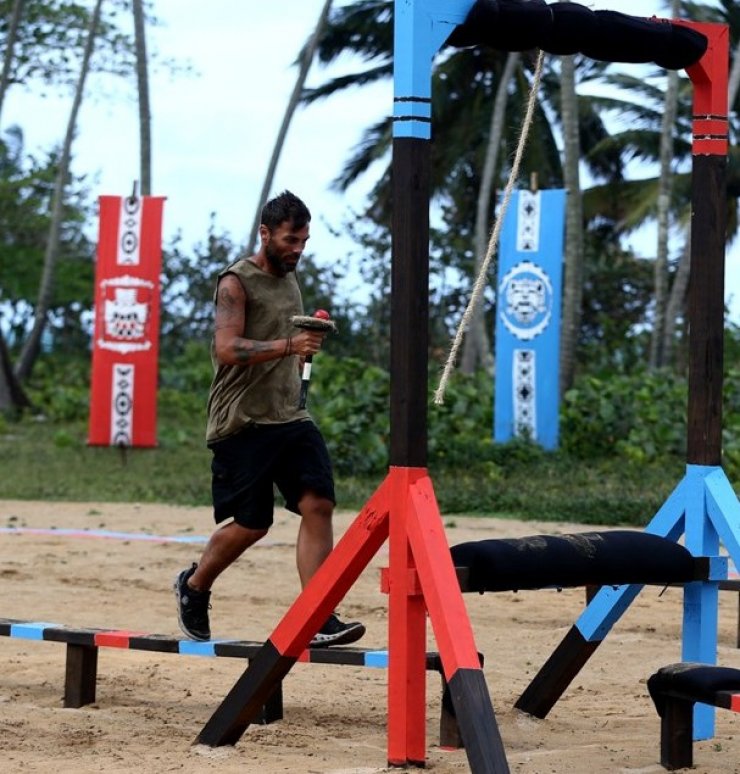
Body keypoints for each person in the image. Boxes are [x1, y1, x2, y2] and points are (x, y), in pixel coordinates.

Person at [174, 190, 365, 647]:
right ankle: (194, 585)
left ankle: (318, 614)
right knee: (252, 523)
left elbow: (288, 339)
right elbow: (226, 348)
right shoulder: (234, 283)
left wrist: (306, 344)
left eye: (304, 240)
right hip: (240, 421)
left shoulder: (290, 279)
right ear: (266, 233)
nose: (298, 249)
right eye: (290, 239)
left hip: (288, 415)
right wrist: (287, 347)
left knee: (318, 503)